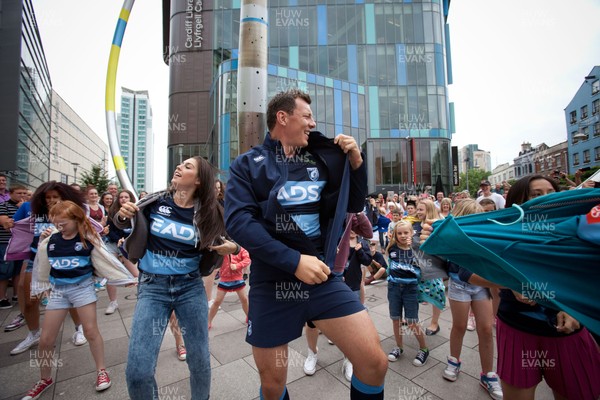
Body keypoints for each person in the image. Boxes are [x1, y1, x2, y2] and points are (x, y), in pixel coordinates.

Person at [225, 89, 387, 400]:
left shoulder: (323, 158)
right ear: (283, 118)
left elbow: (353, 203)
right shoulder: (246, 165)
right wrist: (293, 261)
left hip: (321, 278)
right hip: (272, 283)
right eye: (307, 116)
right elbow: (239, 223)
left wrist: (356, 163)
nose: (314, 123)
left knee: (374, 363)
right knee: (272, 386)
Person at [114, 156, 238, 400]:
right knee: (138, 371)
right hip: (152, 289)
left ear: (200, 180)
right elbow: (121, 223)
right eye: (180, 163)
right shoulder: (154, 202)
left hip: (190, 288)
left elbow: (237, 239)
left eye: (188, 166)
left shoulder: (211, 213)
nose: (179, 166)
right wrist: (121, 215)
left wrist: (231, 249)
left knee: (199, 359)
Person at [20, 200, 134, 399]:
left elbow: (107, 262)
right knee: (46, 339)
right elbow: (41, 265)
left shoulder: (89, 239)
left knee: (90, 331)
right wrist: (44, 286)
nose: (59, 226)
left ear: (76, 220)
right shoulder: (50, 240)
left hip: (83, 290)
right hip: (58, 292)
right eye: (56, 222)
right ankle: (44, 379)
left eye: (63, 222)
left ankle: (101, 371)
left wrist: (126, 279)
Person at [9, 182, 90, 356]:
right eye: (48, 197)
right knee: (30, 298)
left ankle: (79, 328)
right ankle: (34, 334)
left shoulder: (70, 211)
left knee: (69, 297)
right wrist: (5, 221)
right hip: (35, 259)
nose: (51, 200)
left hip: (64, 259)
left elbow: (85, 228)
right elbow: (13, 224)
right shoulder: (29, 209)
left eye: (55, 197)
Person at [442, 199, 503, 400]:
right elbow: (464, 272)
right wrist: (500, 283)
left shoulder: (483, 233)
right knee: (459, 326)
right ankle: (454, 361)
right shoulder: (452, 237)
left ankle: (488, 374)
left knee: (486, 328)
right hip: (460, 283)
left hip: (481, 285)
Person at [385, 220, 429, 366]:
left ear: (412, 233)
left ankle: (424, 348)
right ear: (395, 235)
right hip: (394, 288)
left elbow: (426, 268)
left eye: (406, 232)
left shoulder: (417, 249)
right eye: (400, 233)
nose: (403, 235)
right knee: (395, 318)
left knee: (412, 321)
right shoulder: (391, 248)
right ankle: (399, 347)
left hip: (411, 290)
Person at [104, 190, 138, 315]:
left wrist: (127, 240)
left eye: (126, 197)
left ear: (131, 198)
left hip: (127, 245)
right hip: (113, 244)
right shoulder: (112, 212)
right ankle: (113, 302)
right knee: (110, 274)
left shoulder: (137, 212)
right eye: (121, 197)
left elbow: (138, 230)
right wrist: (117, 239)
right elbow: (110, 230)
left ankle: (144, 298)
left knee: (137, 274)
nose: (123, 199)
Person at [415, 200, 443, 335]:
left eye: (421, 210)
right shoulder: (415, 224)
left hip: (434, 265)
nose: (418, 212)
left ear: (429, 210)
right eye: (417, 209)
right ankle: (412, 320)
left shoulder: (437, 226)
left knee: (436, 292)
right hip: (417, 265)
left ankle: (434, 323)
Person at [208, 246, 250, 329]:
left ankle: (249, 317)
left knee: (244, 299)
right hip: (224, 280)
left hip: (238, 278)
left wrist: (238, 265)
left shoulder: (240, 249)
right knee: (217, 301)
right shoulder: (222, 249)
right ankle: (208, 321)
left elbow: (247, 259)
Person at [0, 184, 28, 309]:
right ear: (11, 193)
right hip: (6, 242)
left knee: (18, 271)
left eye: (24, 193)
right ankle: (2, 297)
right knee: (5, 271)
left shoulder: (29, 207)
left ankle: (17, 295)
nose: (22, 196)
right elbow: (6, 223)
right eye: (19, 193)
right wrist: (20, 210)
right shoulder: (3, 206)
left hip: (22, 244)